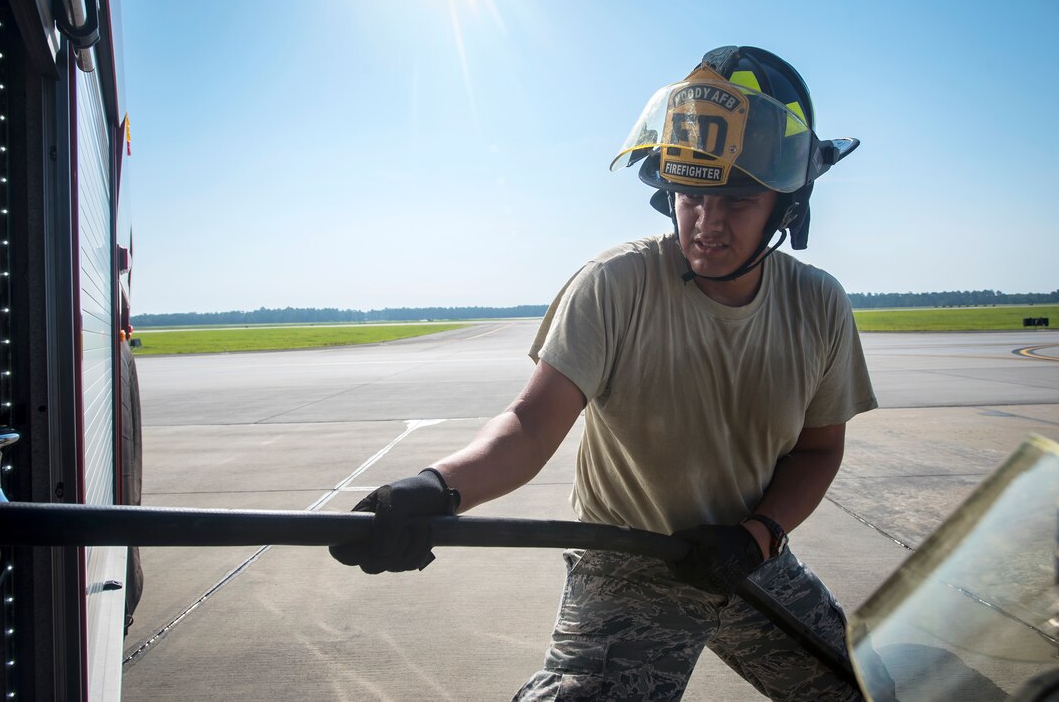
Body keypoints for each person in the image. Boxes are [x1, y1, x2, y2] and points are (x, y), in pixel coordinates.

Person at [332, 45, 878, 701]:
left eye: (735, 198)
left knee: (863, 688)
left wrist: (757, 534)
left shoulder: (818, 304)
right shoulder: (615, 286)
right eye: (689, 193)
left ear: (786, 205)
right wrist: (435, 488)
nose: (705, 222)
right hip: (631, 563)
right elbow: (531, 427)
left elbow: (820, 447)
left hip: (748, 556)